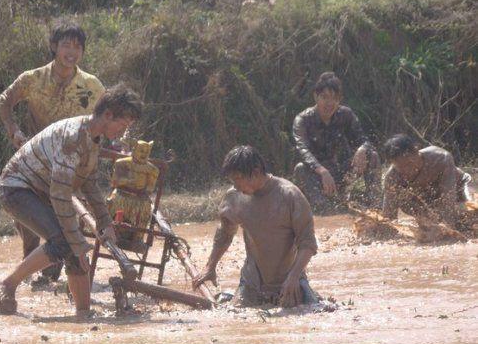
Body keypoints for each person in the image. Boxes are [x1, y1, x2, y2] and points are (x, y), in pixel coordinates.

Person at [0, 84, 143, 318]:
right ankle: (9, 284)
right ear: (108, 115)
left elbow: (89, 183)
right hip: (17, 188)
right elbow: (61, 195)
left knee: (74, 247)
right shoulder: (72, 137)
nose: (123, 132)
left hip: (41, 189)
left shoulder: (94, 139)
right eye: (122, 125)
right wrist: (78, 242)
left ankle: (83, 314)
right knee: (66, 241)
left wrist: (106, 223)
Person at [0, 20, 106, 284]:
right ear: (54, 47)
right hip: (34, 163)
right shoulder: (32, 79)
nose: (72, 52)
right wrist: (14, 131)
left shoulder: (91, 86)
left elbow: (106, 119)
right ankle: (29, 275)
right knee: (31, 227)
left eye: (77, 47)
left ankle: (52, 276)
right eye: (66, 45)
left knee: (68, 220)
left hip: (69, 165)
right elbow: (4, 101)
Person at [193, 146, 320, 308]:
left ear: (256, 171)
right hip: (252, 282)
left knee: (317, 310)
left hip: (291, 279)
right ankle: (227, 298)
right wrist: (210, 267)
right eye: (232, 181)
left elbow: (308, 243)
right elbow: (225, 233)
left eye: (238, 179)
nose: (236, 186)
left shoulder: (290, 195)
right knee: (234, 314)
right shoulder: (234, 196)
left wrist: (294, 277)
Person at [293, 72, 380, 212]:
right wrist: (321, 171)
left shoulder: (345, 114)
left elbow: (364, 140)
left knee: (372, 156)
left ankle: (376, 207)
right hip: (315, 176)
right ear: (316, 96)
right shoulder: (302, 120)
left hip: (339, 172)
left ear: (340, 100)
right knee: (300, 168)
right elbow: (303, 150)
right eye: (324, 97)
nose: (329, 103)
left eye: (334, 98)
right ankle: (325, 208)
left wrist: (362, 149)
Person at [381, 134, 472, 227]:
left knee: (468, 217)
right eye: (400, 167)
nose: (406, 171)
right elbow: (388, 218)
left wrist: (447, 229)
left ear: (417, 151)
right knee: (404, 200)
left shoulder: (441, 158)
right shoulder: (392, 177)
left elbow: (448, 200)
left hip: (459, 189)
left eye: (409, 164)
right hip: (431, 200)